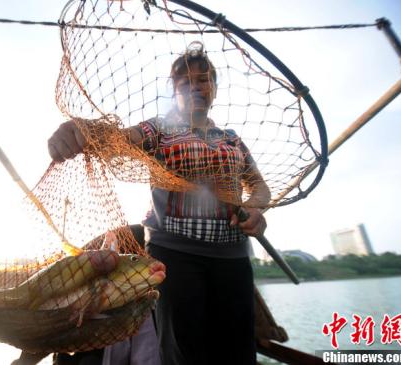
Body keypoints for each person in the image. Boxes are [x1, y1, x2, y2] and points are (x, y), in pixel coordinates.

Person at [48, 41, 270, 365]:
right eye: (185, 82)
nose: (196, 86)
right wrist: (84, 131)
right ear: (175, 91)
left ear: (215, 88)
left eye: (204, 79)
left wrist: (256, 209)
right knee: (184, 353)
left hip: (233, 258)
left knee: (238, 352)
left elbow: (260, 187)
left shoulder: (232, 139)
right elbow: (118, 140)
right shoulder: (160, 129)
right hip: (176, 257)